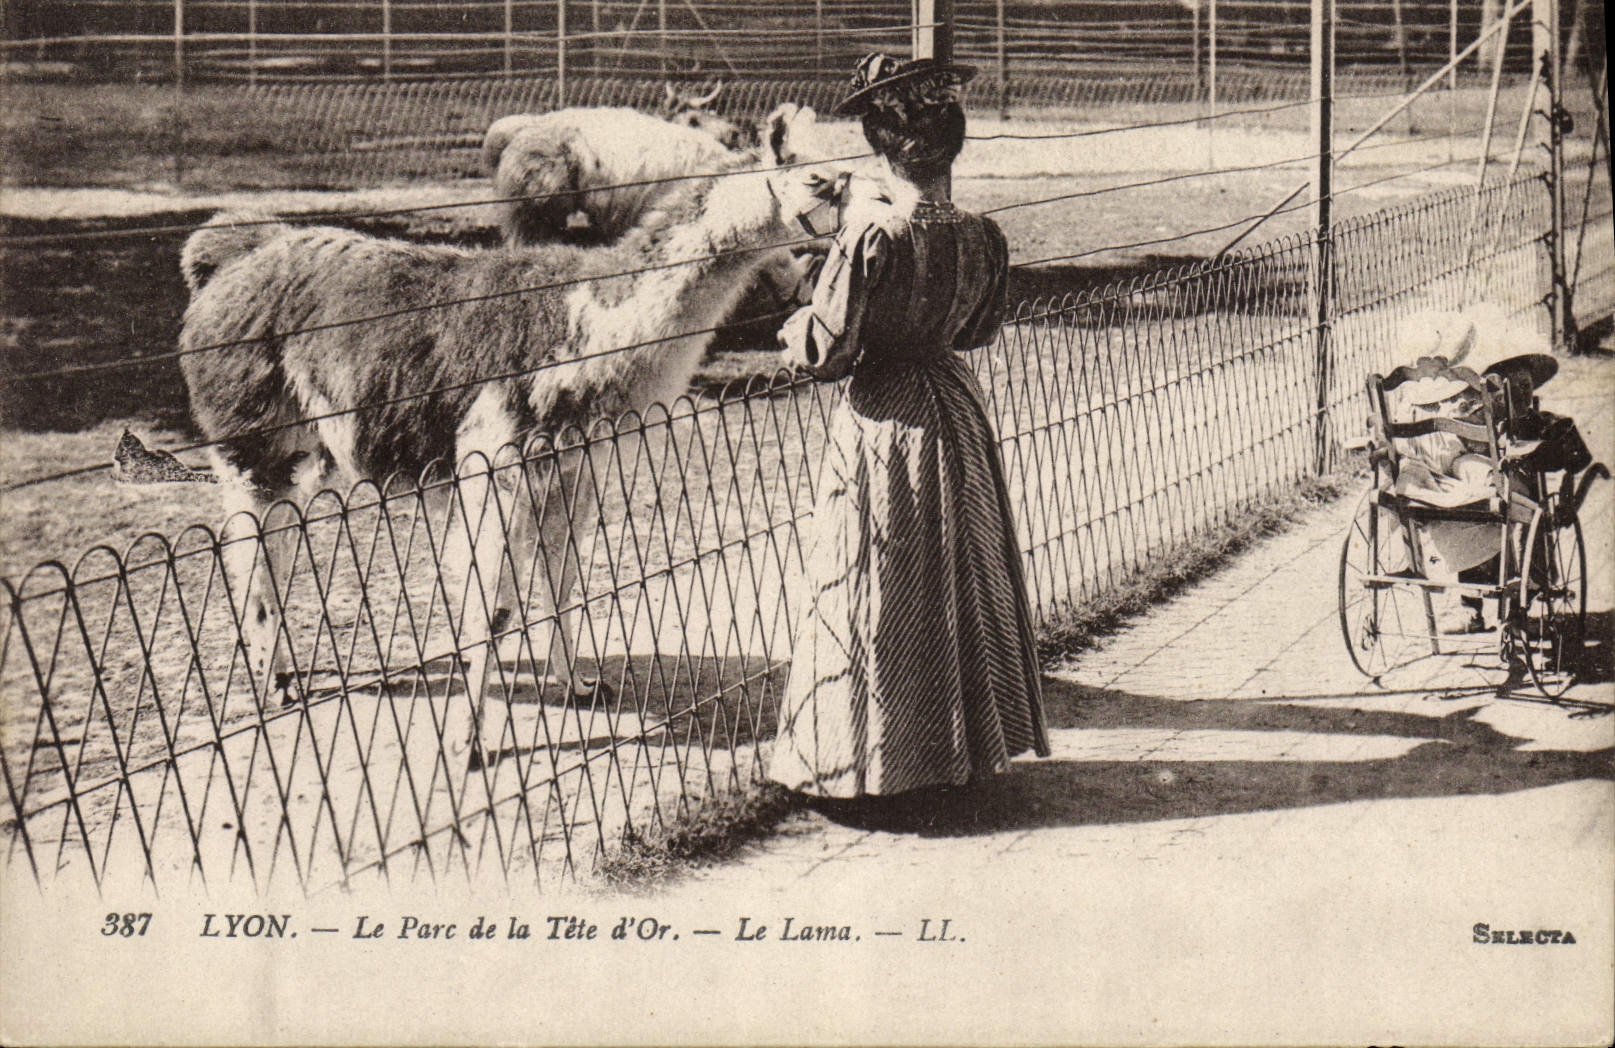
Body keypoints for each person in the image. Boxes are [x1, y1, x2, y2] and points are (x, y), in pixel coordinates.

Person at [765, 52, 1050, 800]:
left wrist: (796, 327)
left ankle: (879, 766)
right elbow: (980, 330)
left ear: (878, 145)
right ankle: (961, 754)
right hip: (952, 409)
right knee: (956, 571)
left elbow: (828, 350)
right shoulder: (982, 236)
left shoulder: (871, 238)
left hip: (884, 415)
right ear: (950, 142)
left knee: (878, 579)